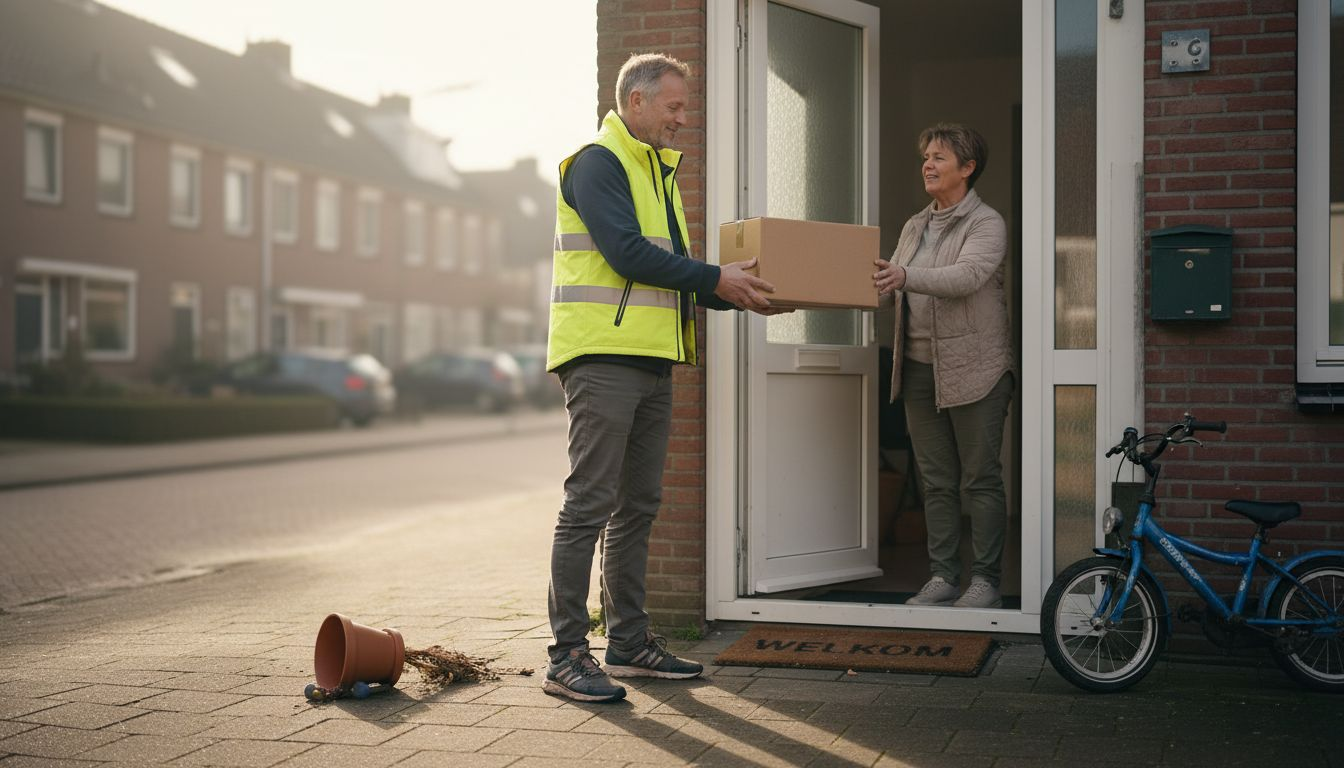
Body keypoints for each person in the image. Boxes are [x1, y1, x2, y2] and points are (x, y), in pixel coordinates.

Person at [544, 52, 784, 703]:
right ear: (638, 100)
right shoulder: (599, 163)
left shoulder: (659, 173)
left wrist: (745, 293)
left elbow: (671, 272)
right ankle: (567, 654)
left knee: (639, 506)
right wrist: (717, 278)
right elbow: (626, 254)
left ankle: (626, 644)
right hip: (600, 358)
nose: (685, 118)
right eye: (675, 106)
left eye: (685, 107)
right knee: (589, 504)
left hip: (651, 360)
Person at [872, 123, 1014, 609]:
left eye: (939, 158)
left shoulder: (986, 223)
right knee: (936, 480)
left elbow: (967, 276)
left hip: (977, 369)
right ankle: (944, 577)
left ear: (968, 168)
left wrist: (905, 275)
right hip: (916, 369)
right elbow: (895, 283)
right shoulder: (916, 225)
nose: (928, 166)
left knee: (980, 478)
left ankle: (986, 582)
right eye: (925, 158)